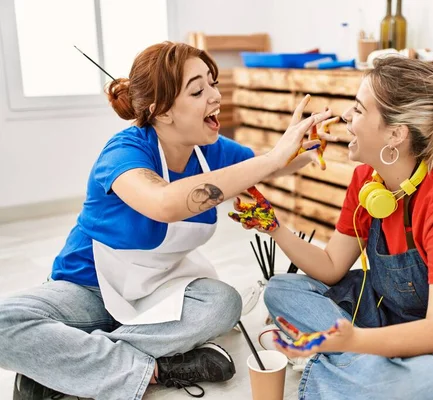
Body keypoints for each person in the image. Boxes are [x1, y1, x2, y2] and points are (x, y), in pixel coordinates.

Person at [0, 41, 333, 400]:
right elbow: (163, 203)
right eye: (197, 90)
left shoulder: (212, 150)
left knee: (223, 303)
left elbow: (270, 164)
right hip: (86, 290)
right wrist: (272, 159)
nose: (215, 96)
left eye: (213, 83)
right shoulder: (125, 152)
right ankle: (153, 368)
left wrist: (306, 150)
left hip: (161, 291)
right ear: (162, 111)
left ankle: (63, 368)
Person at [231, 56, 433, 400]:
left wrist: (353, 340)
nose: (345, 117)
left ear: (395, 134)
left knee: (384, 385)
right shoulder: (367, 180)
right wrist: (275, 226)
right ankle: (361, 368)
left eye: (358, 110)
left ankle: (356, 370)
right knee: (280, 290)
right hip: (393, 309)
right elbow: (330, 267)